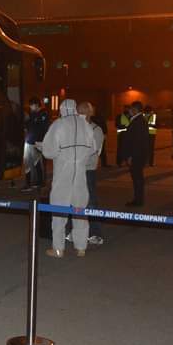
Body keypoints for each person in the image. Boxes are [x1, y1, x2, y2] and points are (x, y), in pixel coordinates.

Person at [42, 99, 96, 258]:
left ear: (61, 109)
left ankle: (58, 249)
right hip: (80, 175)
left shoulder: (58, 125)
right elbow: (93, 148)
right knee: (80, 211)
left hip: (62, 175)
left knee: (59, 212)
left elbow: (49, 151)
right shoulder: (85, 125)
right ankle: (81, 247)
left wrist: (59, 153)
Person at [80, 102, 105, 245]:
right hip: (75, 169)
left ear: (90, 113)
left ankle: (96, 233)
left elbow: (93, 150)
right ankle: (76, 231)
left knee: (90, 202)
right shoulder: (75, 128)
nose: (80, 114)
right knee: (74, 202)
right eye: (79, 111)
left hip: (88, 170)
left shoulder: (96, 130)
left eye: (83, 111)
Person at [122, 101, 150, 206]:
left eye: (130, 109)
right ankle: (138, 199)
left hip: (136, 156)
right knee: (137, 178)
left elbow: (137, 142)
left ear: (135, 109)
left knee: (137, 179)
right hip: (138, 155)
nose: (128, 110)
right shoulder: (139, 120)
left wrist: (131, 156)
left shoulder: (138, 121)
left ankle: (138, 201)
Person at [22, 97, 50, 192]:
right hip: (29, 142)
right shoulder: (32, 114)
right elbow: (28, 126)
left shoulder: (43, 114)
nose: (30, 107)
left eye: (31, 105)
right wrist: (27, 120)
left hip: (38, 143)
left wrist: (40, 141)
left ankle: (40, 183)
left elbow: (43, 128)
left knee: (38, 163)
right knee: (28, 163)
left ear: (36, 105)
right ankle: (29, 183)